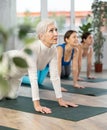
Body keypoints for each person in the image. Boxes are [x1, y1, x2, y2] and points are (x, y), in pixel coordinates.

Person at [0, 19, 78, 114]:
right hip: (4, 66)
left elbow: (55, 76)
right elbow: (33, 78)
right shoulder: (33, 48)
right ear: (41, 36)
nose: (56, 34)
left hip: (18, 75)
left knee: (12, 96)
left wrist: (60, 100)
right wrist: (37, 105)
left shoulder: (53, 50)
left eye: (56, 30)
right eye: (51, 31)